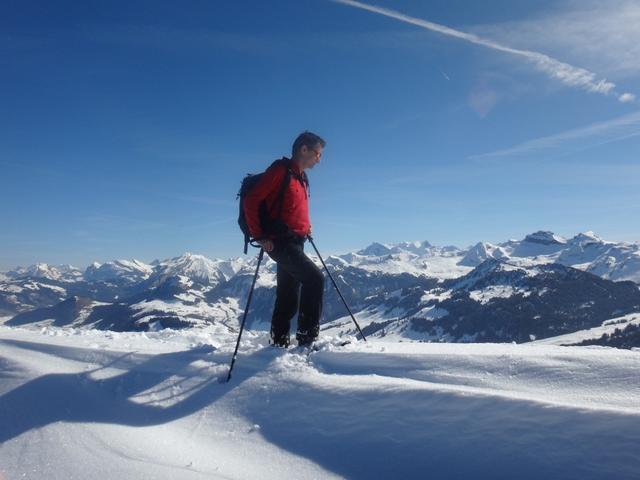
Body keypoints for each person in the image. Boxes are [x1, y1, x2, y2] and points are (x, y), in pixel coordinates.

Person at [242, 131, 326, 348]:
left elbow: (292, 208)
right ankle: (307, 338)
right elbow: (252, 200)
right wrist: (259, 235)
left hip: (297, 240)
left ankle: (278, 340)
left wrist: (305, 226)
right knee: (315, 279)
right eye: (318, 153)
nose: (319, 159)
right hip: (279, 241)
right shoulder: (280, 171)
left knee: (288, 292)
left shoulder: (302, 178)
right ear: (304, 149)